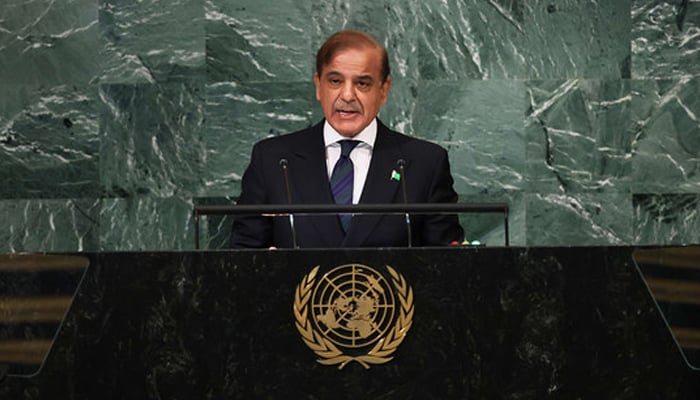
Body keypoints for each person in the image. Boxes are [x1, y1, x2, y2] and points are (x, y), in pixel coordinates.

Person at [230, 30, 463, 248]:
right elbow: (241, 258)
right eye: (335, 81)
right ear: (318, 85)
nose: (348, 95)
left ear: (384, 90)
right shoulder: (272, 159)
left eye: (362, 83)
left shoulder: (425, 163)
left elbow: (447, 267)